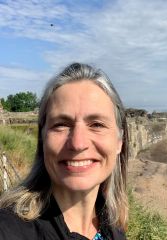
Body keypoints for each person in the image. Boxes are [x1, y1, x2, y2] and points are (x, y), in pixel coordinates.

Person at [0, 63, 128, 240]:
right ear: (42, 139)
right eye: (61, 124)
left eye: (97, 124)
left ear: (119, 141)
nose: (78, 143)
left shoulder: (114, 229)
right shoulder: (9, 230)